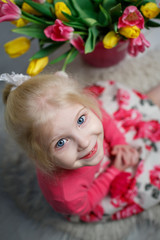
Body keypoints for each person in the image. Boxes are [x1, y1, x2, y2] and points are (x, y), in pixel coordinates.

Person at [1, 71, 160, 222]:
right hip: (97, 186)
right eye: (61, 142)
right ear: (38, 155)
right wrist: (114, 171)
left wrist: (119, 142)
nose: (84, 143)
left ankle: (150, 104)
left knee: (135, 109)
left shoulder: (78, 109)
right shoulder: (66, 195)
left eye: (81, 120)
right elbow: (87, 203)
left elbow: (102, 117)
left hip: (102, 147)